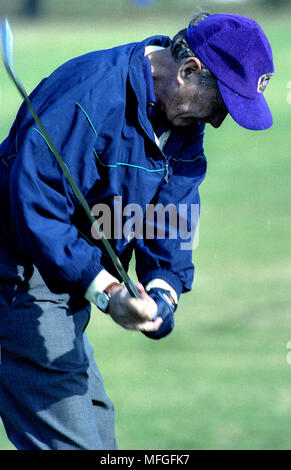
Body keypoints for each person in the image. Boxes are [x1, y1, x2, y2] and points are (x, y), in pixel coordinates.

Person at [0, 12, 274, 450]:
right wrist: (106, 288)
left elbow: (171, 213)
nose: (219, 121)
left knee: (100, 432)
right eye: (221, 103)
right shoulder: (88, 98)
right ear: (189, 71)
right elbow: (35, 205)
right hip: (18, 281)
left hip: (60, 288)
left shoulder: (182, 120)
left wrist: (162, 293)